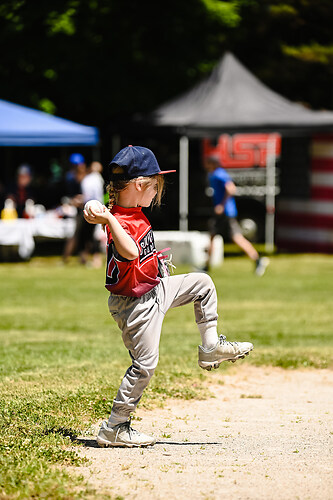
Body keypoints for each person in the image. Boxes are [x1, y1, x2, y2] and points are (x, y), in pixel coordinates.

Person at [83, 145, 254, 448]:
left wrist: (105, 212)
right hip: (135, 306)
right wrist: (108, 218)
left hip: (156, 289)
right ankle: (115, 427)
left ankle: (211, 346)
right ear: (139, 184)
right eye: (154, 184)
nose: (157, 191)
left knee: (202, 283)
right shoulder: (119, 220)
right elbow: (131, 251)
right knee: (145, 365)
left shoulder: (130, 213)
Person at [203, 155, 269, 276]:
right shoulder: (214, 174)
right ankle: (206, 266)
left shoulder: (219, 174)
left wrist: (222, 205)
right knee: (214, 236)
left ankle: (257, 259)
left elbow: (231, 189)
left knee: (236, 238)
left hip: (225, 213)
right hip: (224, 212)